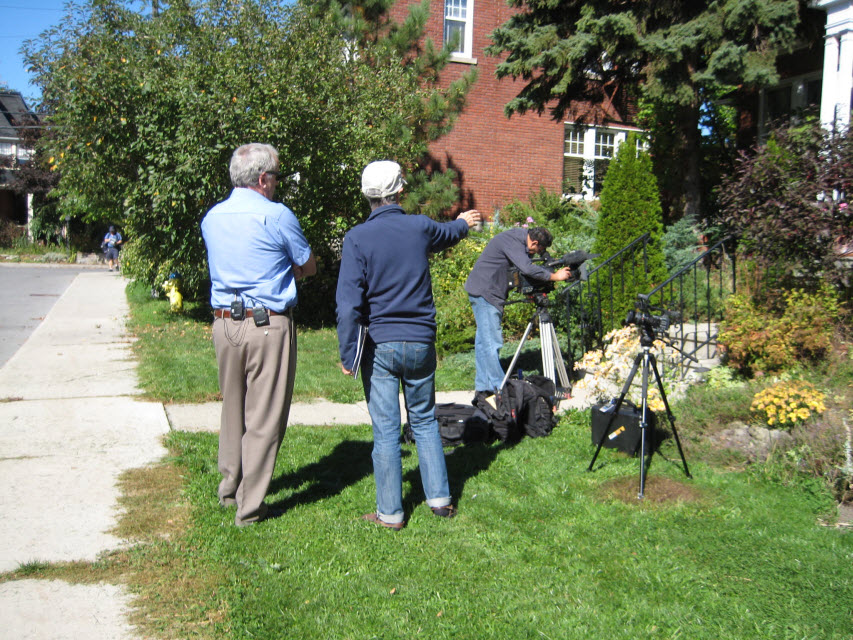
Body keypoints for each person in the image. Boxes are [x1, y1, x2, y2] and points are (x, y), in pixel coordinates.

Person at [336, 160, 481, 530]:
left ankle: (391, 514)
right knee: (425, 421)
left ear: (367, 195)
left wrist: (347, 351)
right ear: (400, 191)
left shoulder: (357, 238)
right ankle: (440, 501)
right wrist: (466, 222)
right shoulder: (419, 227)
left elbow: (348, 304)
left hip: (380, 346)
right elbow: (450, 232)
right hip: (421, 342)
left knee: (386, 430)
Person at [201, 143, 316, 527]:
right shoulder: (277, 215)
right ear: (264, 179)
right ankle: (250, 508)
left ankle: (229, 489)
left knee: (232, 408)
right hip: (268, 324)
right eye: (277, 177)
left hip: (223, 322)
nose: (278, 184)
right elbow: (308, 265)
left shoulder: (212, 217)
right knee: (265, 417)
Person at [464, 227, 571, 393]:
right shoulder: (513, 242)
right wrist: (554, 276)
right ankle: (499, 390)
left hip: (484, 291)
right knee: (492, 342)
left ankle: (484, 388)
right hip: (485, 293)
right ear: (534, 242)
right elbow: (527, 268)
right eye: (539, 250)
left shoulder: (520, 238)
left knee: (484, 343)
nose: (537, 253)